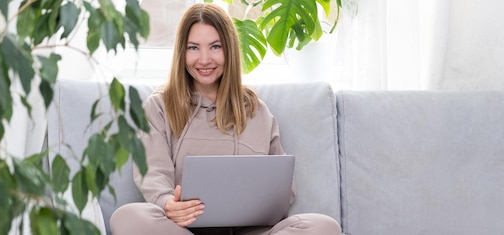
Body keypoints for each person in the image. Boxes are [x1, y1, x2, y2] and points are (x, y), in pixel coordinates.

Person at [109, 3, 341, 235]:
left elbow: (283, 186)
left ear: (229, 49)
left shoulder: (255, 110)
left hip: (250, 231)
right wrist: (167, 203)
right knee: (128, 217)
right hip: (183, 230)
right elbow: (153, 173)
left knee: (324, 226)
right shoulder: (160, 106)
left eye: (215, 46)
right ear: (182, 52)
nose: (204, 59)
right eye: (193, 48)